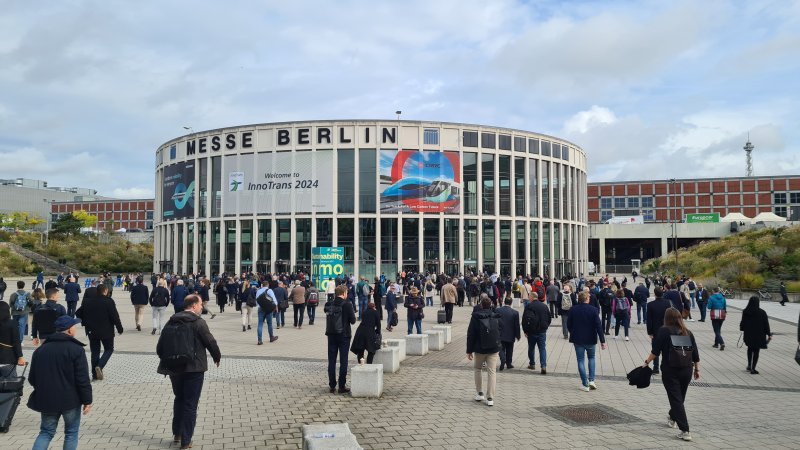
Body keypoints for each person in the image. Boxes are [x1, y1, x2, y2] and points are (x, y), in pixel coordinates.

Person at [157, 294, 221, 450]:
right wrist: (216, 357)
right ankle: (186, 441)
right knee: (190, 404)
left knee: (179, 398)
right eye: (200, 304)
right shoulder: (198, 323)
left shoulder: (171, 321)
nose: (201, 307)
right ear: (193, 306)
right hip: (194, 368)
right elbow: (210, 341)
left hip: (174, 367)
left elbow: (160, 347)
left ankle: (177, 433)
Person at [28, 315, 93, 450]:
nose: (75, 329)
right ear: (69, 330)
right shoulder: (76, 349)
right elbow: (82, 379)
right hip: (70, 400)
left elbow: (32, 378)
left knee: (46, 432)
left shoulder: (40, 350)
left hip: (48, 399)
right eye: (74, 326)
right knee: (71, 433)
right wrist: (87, 400)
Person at [642, 308, 700, 442]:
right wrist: (697, 370)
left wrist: (646, 362)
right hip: (686, 370)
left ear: (666, 318)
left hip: (670, 370)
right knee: (679, 398)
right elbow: (695, 354)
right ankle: (672, 417)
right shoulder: (687, 332)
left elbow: (655, 351)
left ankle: (685, 430)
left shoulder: (664, 331)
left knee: (676, 399)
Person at [76, 284, 123, 381]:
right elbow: (114, 316)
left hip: (92, 331)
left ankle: (94, 374)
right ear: (105, 291)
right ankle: (100, 366)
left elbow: (78, 313)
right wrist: (119, 328)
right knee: (109, 349)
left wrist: (85, 323)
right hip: (106, 331)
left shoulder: (87, 301)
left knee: (95, 352)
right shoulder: (109, 301)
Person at [567, 291, 607, 391]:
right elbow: (599, 326)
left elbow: (568, 324)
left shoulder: (573, 309)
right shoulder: (594, 310)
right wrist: (603, 341)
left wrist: (573, 331)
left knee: (580, 360)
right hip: (591, 339)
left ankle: (585, 383)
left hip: (578, 339)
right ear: (587, 299)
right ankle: (591, 380)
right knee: (592, 358)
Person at [466, 297, 502, 406]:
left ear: (481, 305)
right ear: (491, 305)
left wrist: (469, 350)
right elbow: (500, 330)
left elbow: (471, 334)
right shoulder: (496, 315)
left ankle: (480, 393)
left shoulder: (475, 317)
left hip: (479, 348)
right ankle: (490, 398)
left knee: (478, 369)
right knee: (492, 372)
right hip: (493, 348)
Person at [325, 285, 357, 394]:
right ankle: (341, 386)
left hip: (331, 334)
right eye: (346, 292)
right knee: (343, 361)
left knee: (331, 361)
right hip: (344, 335)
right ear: (343, 293)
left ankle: (332, 385)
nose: (347, 294)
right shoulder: (347, 304)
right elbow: (353, 321)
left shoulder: (330, 304)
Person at [739, 296, 772, 374]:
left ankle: (749, 365)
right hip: (759, 335)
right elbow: (766, 324)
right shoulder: (762, 312)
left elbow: (742, 323)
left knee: (750, 349)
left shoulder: (746, 311)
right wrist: (769, 334)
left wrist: (742, 328)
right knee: (756, 351)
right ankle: (753, 368)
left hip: (749, 334)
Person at [522, 291, 550, 374]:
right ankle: (543, 366)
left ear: (531, 297)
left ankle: (532, 364)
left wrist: (525, 331)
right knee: (542, 349)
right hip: (542, 331)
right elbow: (549, 318)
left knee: (531, 348)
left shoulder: (529, 306)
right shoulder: (544, 306)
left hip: (531, 331)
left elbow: (524, 319)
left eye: (529, 297)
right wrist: (546, 327)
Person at [646, 286, 671, 375]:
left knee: (655, 349)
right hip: (668, 329)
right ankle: (666, 367)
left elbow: (649, 320)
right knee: (667, 348)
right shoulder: (668, 303)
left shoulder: (650, 305)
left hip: (656, 331)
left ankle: (656, 368)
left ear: (655, 294)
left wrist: (650, 332)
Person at [0, 301, 25, 376]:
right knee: (10, 383)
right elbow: (16, 342)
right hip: (8, 358)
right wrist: (20, 356)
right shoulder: (12, 323)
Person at [496, 297, 520, 371]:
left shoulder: (498, 310)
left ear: (504, 302)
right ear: (511, 303)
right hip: (511, 334)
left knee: (501, 348)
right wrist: (518, 335)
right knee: (510, 349)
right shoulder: (515, 312)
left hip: (500, 333)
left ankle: (503, 358)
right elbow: (517, 325)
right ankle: (509, 364)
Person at [8, 281, 30, 346]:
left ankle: (14, 340)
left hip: (15, 312)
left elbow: (10, 303)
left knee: (15, 326)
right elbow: (31, 302)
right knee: (22, 327)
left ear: (17, 286)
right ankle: (20, 341)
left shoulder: (13, 294)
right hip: (24, 312)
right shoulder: (27, 294)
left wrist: (14, 308)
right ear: (24, 286)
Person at [708, 287, 727, 351]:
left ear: (713, 291)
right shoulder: (723, 297)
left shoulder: (711, 297)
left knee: (716, 330)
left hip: (715, 314)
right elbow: (724, 306)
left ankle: (722, 343)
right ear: (718, 291)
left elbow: (709, 307)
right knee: (718, 329)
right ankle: (716, 344)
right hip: (722, 314)